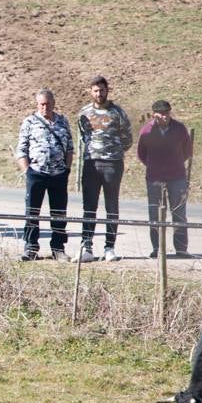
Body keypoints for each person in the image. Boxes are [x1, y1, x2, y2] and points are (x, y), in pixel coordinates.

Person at [74, 75, 132, 262]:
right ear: (91, 92)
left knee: (111, 206)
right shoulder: (84, 113)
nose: (99, 93)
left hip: (112, 164)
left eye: (102, 90)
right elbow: (84, 136)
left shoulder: (117, 112)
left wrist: (112, 151)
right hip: (91, 163)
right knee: (89, 206)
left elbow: (127, 138)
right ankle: (87, 248)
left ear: (107, 90)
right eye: (95, 90)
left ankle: (109, 248)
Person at [14, 88, 73, 260]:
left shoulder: (63, 121)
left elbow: (70, 148)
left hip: (59, 174)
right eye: (41, 104)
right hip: (37, 173)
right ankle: (31, 248)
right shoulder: (29, 122)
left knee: (59, 212)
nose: (45, 107)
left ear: (54, 104)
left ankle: (58, 248)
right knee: (32, 212)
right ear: (37, 104)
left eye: (48, 104)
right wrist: (27, 171)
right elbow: (21, 149)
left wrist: (66, 170)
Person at [135, 99, 193, 259]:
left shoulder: (180, 129)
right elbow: (141, 154)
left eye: (167, 112)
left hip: (177, 176)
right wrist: (154, 165)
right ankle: (157, 248)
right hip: (155, 178)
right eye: (161, 113)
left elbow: (187, 151)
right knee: (155, 214)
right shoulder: (146, 131)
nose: (165, 116)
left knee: (179, 212)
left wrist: (174, 163)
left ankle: (181, 249)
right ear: (154, 114)